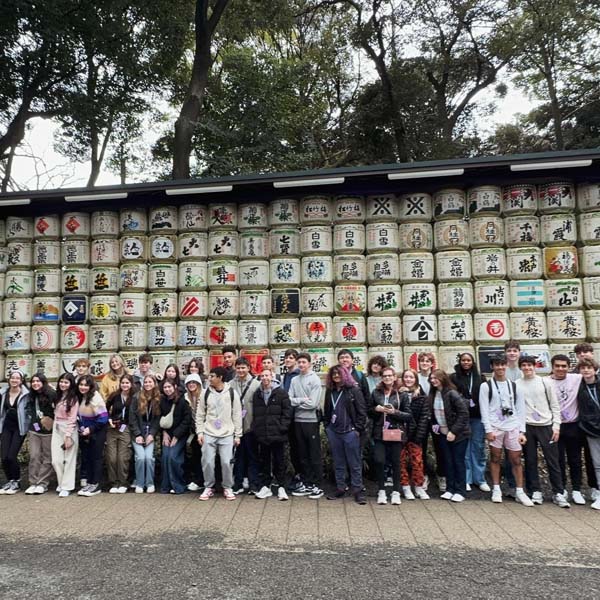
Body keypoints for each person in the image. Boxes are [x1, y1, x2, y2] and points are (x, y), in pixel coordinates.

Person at [479, 354, 532, 506]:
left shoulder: (515, 386)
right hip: (495, 427)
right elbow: (484, 409)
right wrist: (488, 430)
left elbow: (521, 409)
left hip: (513, 426)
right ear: (492, 367)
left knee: (515, 459)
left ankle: (520, 491)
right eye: (497, 364)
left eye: (503, 364)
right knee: (495, 458)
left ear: (507, 365)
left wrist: (522, 431)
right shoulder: (486, 386)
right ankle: (496, 489)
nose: (500, 367)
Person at [517, 356, 569, 508]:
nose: (527, 368)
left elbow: (555, 405)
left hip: (546, 425)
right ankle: (535, 491)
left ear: (535, 366)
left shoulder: (545, 382)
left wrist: (556, 426)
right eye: (524, 365)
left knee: (553, 460)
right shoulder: (516, 384)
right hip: (527, 426)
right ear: (521, 367)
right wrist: (520, 431)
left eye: (530, 365)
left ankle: (558, 492)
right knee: (530, 460)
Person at [322, 365, 367, 503]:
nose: (336, 376)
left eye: (339, 374)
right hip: (334, 432)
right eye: (334, 374)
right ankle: (341, 488)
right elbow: (327, 410)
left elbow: (362, 411)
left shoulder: (353, 390)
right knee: (339, 462)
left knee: (355, 463)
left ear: (345, 375)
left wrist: (357, 430)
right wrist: (327, 427)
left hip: (350, 432)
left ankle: (357, 490)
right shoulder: (330, 391)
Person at [197, 366, 242, 501]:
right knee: (208, 461)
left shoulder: (232, 393)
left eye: (212, 376)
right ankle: (209, 486)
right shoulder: (205, 393)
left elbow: (237, 414)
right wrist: (199, 432)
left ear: (220, 378)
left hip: (227, 432)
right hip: (209, 431)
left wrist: (238, 435)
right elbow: (200, 415)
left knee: (227, 462)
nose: (209, 379)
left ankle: (227, 487)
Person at [370, 367, 413, 505]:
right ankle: (381, 490)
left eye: (390, 376)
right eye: (385, 376)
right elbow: (368, 410)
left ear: (395, 377)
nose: (387, 378)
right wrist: (376, 409)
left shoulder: (402, 394)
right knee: (379, 460)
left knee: (396, 462)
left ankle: (396, 491)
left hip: (395, 431)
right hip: (379, 432)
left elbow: (408, 415)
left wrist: (395, 412)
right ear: (381, 378)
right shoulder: (376, 393)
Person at [450, 353, 490, 493]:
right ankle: (465, 479)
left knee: (478, 447)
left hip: (477, 417)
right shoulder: (453, 377)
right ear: (460, 361)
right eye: (463, 360)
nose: (466, 362)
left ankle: (479, 479)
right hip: (461, 418)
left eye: (468, 360)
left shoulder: (481, 378)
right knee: (464, 449)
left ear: (473, 362)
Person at [549, 354, 586, 505]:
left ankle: (576, 489)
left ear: (569, 367)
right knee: (558, 460)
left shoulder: (576, 378)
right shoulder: (545, 382)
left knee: (575, 459)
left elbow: (592, 372)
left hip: (573, 425)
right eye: (557, 366)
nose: (560, 369)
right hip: (555, 426)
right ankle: (561, 488)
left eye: (564, 366)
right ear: (552, 367)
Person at [429, 369, 471, 502]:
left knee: (458, 461)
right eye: (431, 378)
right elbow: (434, 412)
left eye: (436, 378)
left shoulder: (452, 393)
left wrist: (453, 431)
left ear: (443, 378)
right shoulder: (434, 393)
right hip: (442, 433)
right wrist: (434, 424)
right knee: (447, 462)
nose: (433, 380)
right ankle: (450, 489)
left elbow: (463, 414)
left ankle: (460, 490)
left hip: (458, 434)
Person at [252, 368, 293, 500]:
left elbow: (287, 413)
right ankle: (265, 486)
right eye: (262, 376)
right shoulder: (257, 394)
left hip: (277, 434)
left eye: (267, 375)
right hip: (263, 434)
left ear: (272, 377)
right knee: (264, 461)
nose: (264, 378)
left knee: (279, 461)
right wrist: (257, 430)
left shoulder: (281, 393)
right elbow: (256, 414)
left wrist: (282, 427)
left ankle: (281, 487)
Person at [289, 353, 324, 499]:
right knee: (301, 453)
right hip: (298, 421)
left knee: (313, 453)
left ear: (309, 363)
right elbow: (289, 400)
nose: (301, 365)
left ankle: (316, 484)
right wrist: (303, 399)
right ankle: (306, 481)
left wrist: (298, 402)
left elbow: (313, 404)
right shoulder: (294, 380)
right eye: (299, 362)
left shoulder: (315, 379)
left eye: (304, 362)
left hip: (311, 421)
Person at [230, 357, 261, 495]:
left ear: (249, 368)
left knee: (253, 456)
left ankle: (254, 484)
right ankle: (238, 484)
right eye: (238, 368)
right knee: (238, 457)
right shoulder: (230, 384)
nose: (241, 370)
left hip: (251, 427)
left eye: (243, 367)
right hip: (235, 428)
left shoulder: (256, 384)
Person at [398, 369, 430, 500]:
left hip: (416, 435)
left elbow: (424, 418)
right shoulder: (397, 395)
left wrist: (419, 435)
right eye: (406, 377)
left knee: (417, 462)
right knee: (401, 462)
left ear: (415, 379)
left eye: (411, 377)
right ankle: (405, 487)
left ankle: (419, 487)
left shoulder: (421, 396)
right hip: (401, 434)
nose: (408, 380)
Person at [573, 343, 599, 499]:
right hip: (581, 424)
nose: (584, 354)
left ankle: (597, 486)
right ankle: (592, 486)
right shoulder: (574, 377)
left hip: (596, 423)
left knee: (594, 457)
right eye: (580, 352)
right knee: (588, 457)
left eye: (587, 351)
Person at [25, 373, 57, 495]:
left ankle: (42, 483)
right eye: (33, 381)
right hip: (34, 430)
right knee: (34, 456)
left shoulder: (52, 394)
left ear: (43, 382)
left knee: (48, 457)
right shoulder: (31, 396)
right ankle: (33, 482)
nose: (35, 383)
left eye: (38, 381)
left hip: (49, 431)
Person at [76, 374, 108, 497]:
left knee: (96, 458)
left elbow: (103, 418)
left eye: (86, 385)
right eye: (81, 385)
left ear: (91, 386)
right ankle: (89, 482)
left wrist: (91, 429)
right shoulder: (81, 397)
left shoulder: (96, 397)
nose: (83, 387)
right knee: (86, 457)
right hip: (84, 431)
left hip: (97, 430)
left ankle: (96, 484)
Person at [418, 351, 445, 493]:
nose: (425, 363)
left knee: (440, 447)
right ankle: (424, 475)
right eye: (422, 361)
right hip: (420, 419)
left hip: (436, 418)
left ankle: (441, 475)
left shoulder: (436, 378)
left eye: (428, 361)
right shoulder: (415, 377)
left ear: (432, 363)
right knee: (420, 448)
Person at [129, 374, 161, 493]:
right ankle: (140, 482)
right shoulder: (136, 397)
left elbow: (158, 419)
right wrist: (137, 434)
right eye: (146, 382)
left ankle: (150, 483)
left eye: (150, 382)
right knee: (140, 457)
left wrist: (152, 434)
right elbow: (132, 418)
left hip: (150, 433)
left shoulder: (158, 398)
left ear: (154, 383)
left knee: (149, 457)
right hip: (138, 433)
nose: (148, 384)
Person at [0, 371, 30, 495]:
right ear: (9, 379)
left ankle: (16, 481)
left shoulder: (26, 394)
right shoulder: (3, 393)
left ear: (21, 380)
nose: (14, 380)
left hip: (19, 428)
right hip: (6, 427)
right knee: (4, 457)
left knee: (12, 456)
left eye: (17, 378)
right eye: (12, 378)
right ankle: (10, 480)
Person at [159, 378, 191, 494]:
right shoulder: (162, 401)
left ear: (175, 387)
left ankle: (178, 485)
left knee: (174, 457)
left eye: (169, 387)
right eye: (165, 387)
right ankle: (166, 486)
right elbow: (160, 418)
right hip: (167, 434)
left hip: (180, 435)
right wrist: (164, 433)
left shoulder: (182, 401)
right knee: (165, 456)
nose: (167, 389)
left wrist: (177, 436)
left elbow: (187, 420)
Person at [105, 374, 135, 494]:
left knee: (123, 457)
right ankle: (114, 482)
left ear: (131, 384)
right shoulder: (114, 396)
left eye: (127, 383)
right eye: (123, 383)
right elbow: (105, 409)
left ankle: (123, 482)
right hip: (112, 428)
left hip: (126, 428)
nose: (125, 385)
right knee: (111, 457)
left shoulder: (135, 397)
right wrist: (109, 420)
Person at [51, 373, 79, 497]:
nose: (63, 384)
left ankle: (67, 486)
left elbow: (72, 419)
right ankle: (61, 482)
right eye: (61, 381)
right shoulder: (57, 396)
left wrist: (68, 436)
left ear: (71, 384)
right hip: (56, 428)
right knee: (56, 460)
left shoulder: (73, 399)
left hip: (69, 429)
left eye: (66, 382)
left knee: (69, 459)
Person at [578, 357, 600, 510]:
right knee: (597, 463)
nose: (586, 370)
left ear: (595, 369)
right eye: (583, 368)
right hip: (591, 429)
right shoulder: (578, 386)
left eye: (589, 368)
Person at [184, 373, 204, 492]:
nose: (192, 385)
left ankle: (206, 481)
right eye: (189, 383)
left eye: (194, 382)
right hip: (192, 431)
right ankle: (198, 480)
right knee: (196, 456)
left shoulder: (205, 394)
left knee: (205, 457)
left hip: (205, 430)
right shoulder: (185, 397)